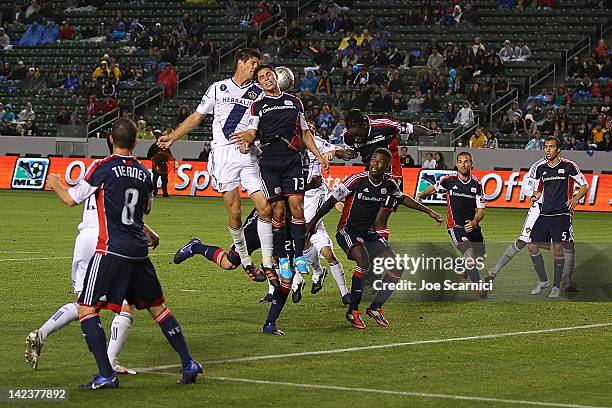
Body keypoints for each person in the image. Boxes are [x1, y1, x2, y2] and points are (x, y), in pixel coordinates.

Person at [45, 119, 202, 389]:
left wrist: (56, 183)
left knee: (86, 308)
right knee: (157, 308)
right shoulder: (144, 173)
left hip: (111, 250)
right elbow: (144, 210)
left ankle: (106, 375)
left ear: (110, 139)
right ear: (136, 142)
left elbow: (71, 198)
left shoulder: (102, 167)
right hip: (138, 250)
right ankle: (188, 363)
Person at [157, 49, 275, 286]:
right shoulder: (218, 88)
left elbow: (269, 121)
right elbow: (197, 117)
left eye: (257, 64)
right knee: (235, 213)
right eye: (252, 63)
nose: (255, 67)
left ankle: (267, 262)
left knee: (265, 209)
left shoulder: (259, 92)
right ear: (240, 62)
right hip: (223, 155)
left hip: (249, 154)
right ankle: (245, 260)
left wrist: (256, 134)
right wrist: (173, 137)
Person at [230, 64, 329, 335]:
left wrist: (319, 156)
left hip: (291, 160)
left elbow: (305, 132)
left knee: (296, 208)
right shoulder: (257, 105)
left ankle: (297, 257)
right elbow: (251, 130)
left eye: (269, 75)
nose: (267, 79)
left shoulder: (293, 101)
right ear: (259, 83)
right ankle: (283, 259)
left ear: (276, 78)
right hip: (269, 162)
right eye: (261, 77)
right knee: (277, 212)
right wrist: (247, 140)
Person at [307, 148, 443, 329]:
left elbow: (403, 199)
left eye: (380, 162)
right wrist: (312, 224)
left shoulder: (389, 184)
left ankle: (376, 308)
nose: (374, 164)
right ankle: (353, 311)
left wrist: (430, 211)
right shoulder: (356, 180)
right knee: (364, 261)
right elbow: (331, 201)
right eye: (373, 160)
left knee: (397, 266)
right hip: (347, 230)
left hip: (368, 232)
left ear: (387, 166)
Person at [343, 108, 438, 240]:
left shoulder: (384, 125)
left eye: (359, 134)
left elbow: (410, 128)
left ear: (364, 125)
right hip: (371, 176)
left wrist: (427, 132)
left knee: (380, 220)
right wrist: (348, 154)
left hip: (392, 175)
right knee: (369, 220)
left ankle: (380, 255)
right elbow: (352, 151)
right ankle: (373, 252)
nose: (357, 137)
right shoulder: (349, 135)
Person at [417, 152, 487, 298]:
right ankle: (479, 287)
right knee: (469, 255)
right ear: (456, 164)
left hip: (473, 227)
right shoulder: (448, 180)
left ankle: (461, 266)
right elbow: (434, 188)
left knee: (480, 255)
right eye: (460, 161)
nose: (463, 164)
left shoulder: (477, 184)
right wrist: (420, 196)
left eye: (466, 161)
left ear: (471, 164)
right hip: (456, 226)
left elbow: (481, 211)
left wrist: (474, 222)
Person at [526, 136, 588, 297]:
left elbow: (584, 185)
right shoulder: (541, 169)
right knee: (532, 245)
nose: (547, 149)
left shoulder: (569, 166)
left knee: (558, 248)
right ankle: (543, 280)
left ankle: (556, 287)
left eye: (551, 147)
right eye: (546, 146)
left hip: (562, 213)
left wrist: (575, 199)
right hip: (545, 213)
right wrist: (534, 196)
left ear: (558, 149)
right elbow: (539, 190)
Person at [147, 130, 174, 197]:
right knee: (155, 179)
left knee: (164, 179)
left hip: (163, 164)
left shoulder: (162, 146)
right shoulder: (154, 146)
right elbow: (149, 155)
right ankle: (155, 192)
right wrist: (152, 158)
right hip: (157, 164)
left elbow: (169, 155)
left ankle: (164, 192)